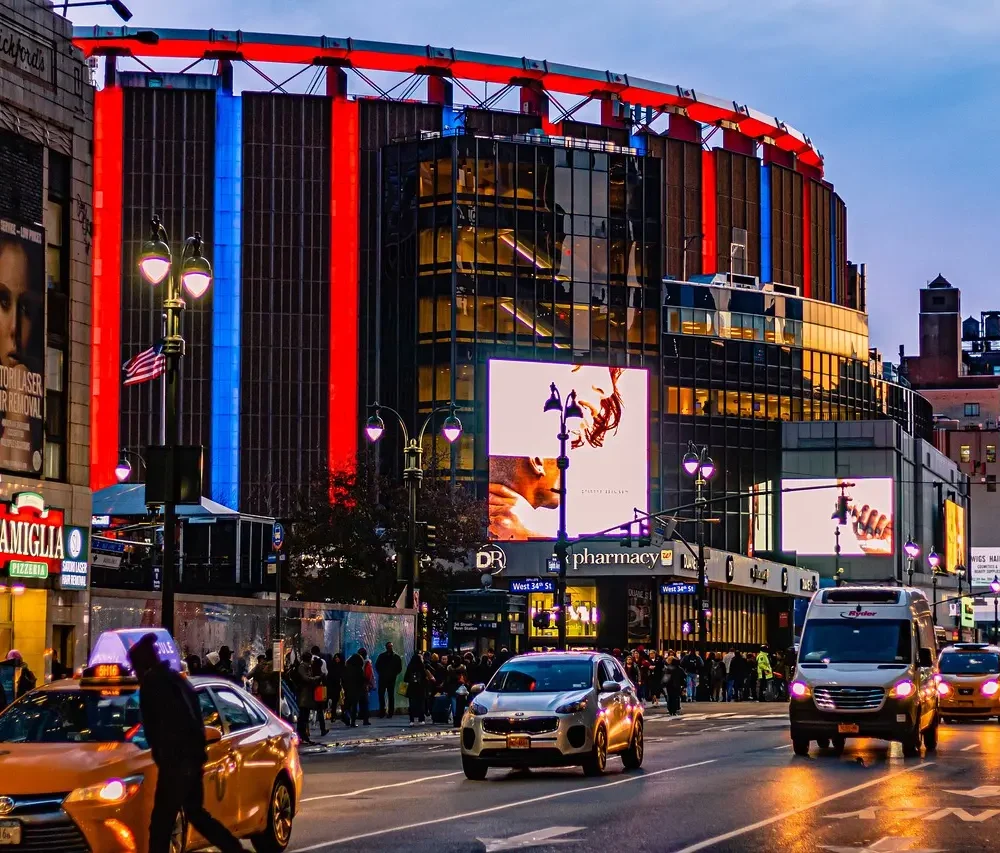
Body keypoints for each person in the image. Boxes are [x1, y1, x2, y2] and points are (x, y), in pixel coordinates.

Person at [126, 633, 243, 853]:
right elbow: (193, 718)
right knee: (195, 813)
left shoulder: (153, 684)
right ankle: (234, 849)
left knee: (161, 823)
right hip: (191, 758)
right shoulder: (178, 680)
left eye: (135, 666)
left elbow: (157, 726)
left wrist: (163, 755)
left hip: (175, 762)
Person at [294, 651, 320, 742]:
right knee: (303, 715)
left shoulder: (307, 666)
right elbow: (305, 678)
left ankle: (303, 734)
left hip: (307, 694)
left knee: (305, 715)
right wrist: (316, 678)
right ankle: (301, 734)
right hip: (303, 695)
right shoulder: (303, 666)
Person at [375, 642, 403, 718]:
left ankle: (388, 712)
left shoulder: (395, 657)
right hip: (385, 678)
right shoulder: (385, 656)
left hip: (389, 678)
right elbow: (377, 666)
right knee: (383, 695)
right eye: (389, 646)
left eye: (390, 646)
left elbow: (399, 668)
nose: (390, 648)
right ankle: (384, 711)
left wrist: (393, 674)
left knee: (389, 695)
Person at [403, 652, 428, 725]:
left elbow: (405, 678)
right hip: (420, 688)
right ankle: (421, 719)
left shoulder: (410, 667)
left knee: (412, 705)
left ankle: (412, 720)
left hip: (412, 689)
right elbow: (425, 678)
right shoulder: (422, 667)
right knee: (421, 704)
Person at [311, 652, 328, 736]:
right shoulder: (321, 675)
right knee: (320, 712)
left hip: (312, 694)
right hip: (320, 695)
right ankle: (323, 729)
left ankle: (307, 730)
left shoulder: (311, 673)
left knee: (309, 712)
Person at [327, 652, 344, 719]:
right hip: (334, 686)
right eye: (336, 657)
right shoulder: (332, 666)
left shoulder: (342, 666)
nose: (337, 659)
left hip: (340, 686)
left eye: (338, 657)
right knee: (334, 701)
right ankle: (333, 714)